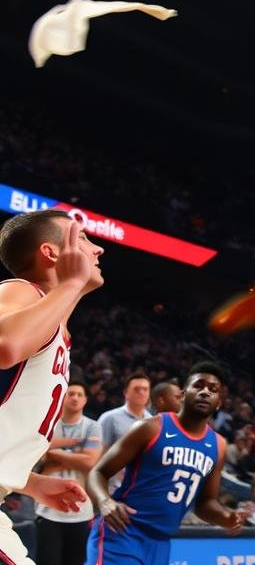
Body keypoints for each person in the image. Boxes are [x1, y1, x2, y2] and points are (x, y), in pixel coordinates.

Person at [0, 211, 102, 565]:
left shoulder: (54, 329)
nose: (98, 249)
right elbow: (5, 344)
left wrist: (29, 483)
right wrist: (71, 284)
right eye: (85, 240)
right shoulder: (20, 291)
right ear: (51, 253)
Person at [86, 361, 243, 565]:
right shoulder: (151, 427)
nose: (205, 392)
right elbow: (97, 472)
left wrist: (225, 516)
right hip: (123, 532)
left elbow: (204, 503)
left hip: (161, 543)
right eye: (199, 385)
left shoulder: (218, 445)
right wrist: (105, 501)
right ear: (183, 394)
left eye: (213, 390)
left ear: (219, 402)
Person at [35, 381, 102, 565]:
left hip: (82, 510)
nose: (75, 398)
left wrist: (53, 454)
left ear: (86, 400)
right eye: (71, 393)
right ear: (63, 397)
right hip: (47, 510)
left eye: (80, 395)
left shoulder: (93, 427)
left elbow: (89, 462)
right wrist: (76, 449)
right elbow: (37, 455)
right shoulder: (48, 424)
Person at [97, 375, 152, 452]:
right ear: (126, 392)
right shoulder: (109, 418)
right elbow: (98, 452)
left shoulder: (152, 420)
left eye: (145, 389)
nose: (141, 392)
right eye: (136, 389)